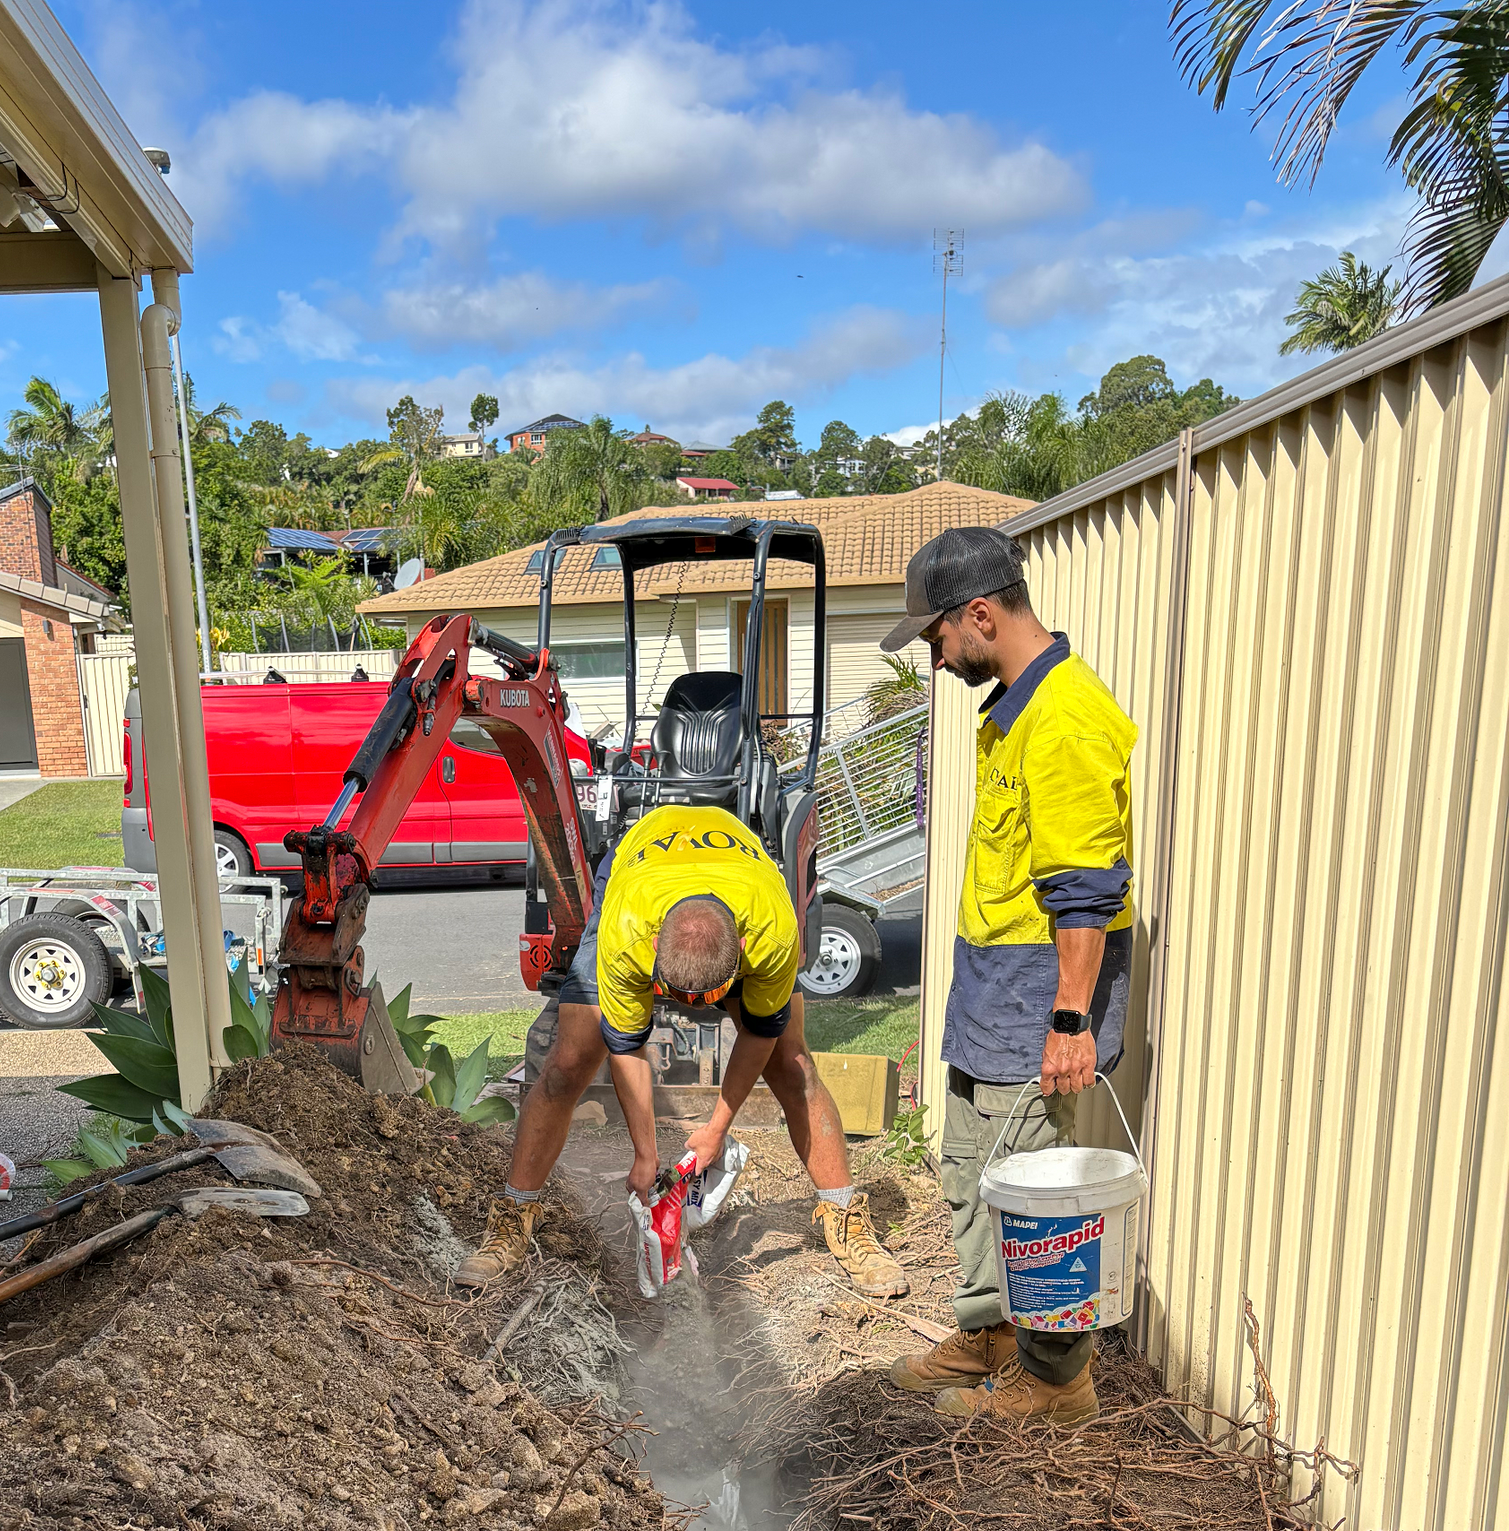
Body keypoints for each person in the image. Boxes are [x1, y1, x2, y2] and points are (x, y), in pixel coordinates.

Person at [875, 523, 1136, 1424]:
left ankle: (1057, 1381)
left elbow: (1084, 890)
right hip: (991, 994)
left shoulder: (1063, 718)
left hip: (1036, 1002)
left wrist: (1071, 1020)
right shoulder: (1014, 711)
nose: (937, 659)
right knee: (969, 1170)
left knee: (1036, 1188)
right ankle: (990, 1332)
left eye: (938, 637)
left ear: (979, 614)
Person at [456, 801, 907, 1294]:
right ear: (653, 955)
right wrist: (645, 1153)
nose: (690, 1008)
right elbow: (626, 1047)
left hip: (743, 874)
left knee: (794, 1066)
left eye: (707, 1001)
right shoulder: (628, 933)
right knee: (567, 1065)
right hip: (638, 866)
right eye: (675, 996)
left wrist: (716, 1130)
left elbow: (760, 1032)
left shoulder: (771, 934)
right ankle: (511, 1219)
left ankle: (846, 1219)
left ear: (740, 957)